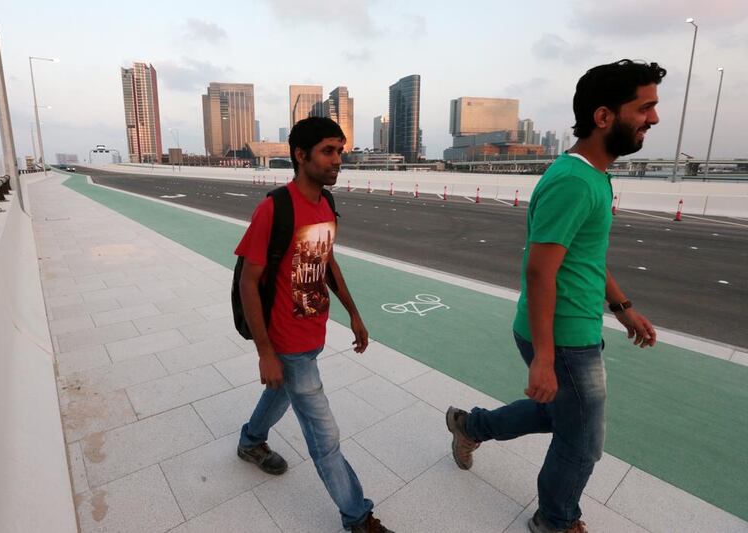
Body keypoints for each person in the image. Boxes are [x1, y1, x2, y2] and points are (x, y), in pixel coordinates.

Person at [446, 59, 665, 533]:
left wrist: (622, 307)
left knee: (556, 415)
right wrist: (543, 358)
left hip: (573, 327)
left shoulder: (593, 176)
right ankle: (556, 520)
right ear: (604, 117)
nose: (654, 118)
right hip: (563, 337)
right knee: (583, 441)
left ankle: (471, 427)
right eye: (645, 107)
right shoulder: (574, 180)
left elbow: (583, 257)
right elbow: (541, 272)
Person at [235, 116, 393, 533]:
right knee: (325, 437)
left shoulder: (326, 206)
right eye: (328, 150)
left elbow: (325, 262)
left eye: (340, 151)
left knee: (281, 393)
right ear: (301, 155)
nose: (338, 160)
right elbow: (248, 281)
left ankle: (251, 441)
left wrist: (353, 312)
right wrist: (266, 352)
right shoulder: (274, 209)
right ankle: (358, 517)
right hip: (286, 341)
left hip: (313, 333)